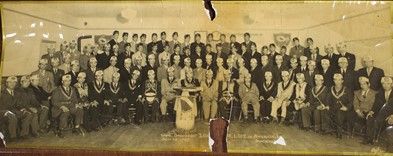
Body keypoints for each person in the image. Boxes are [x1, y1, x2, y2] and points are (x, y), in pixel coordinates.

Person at [0, 76, 30, 142]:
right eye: (10, 82)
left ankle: (23, 134)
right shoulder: (2, 93)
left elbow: (18, 104)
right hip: (4, 112)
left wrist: (22, 108)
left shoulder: (17, 93)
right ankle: (12, 136)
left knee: (27, 114)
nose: (12, 84)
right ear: (6, 83)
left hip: (14, 111)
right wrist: (6, 112)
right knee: (12, 117)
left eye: (14, 83)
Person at [366, 77, 393, 144]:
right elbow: (376, 104)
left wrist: (392, 116)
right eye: (383, 84)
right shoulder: (380, 92)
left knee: (387, 122)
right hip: (381, 113)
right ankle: (370, 139)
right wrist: (371, 111)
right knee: (370, 118)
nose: (385, 85)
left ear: (392, 84)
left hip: (391, 114)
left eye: (388, 84)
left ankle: (388, 143)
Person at [329, 73, 354, 139]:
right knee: (324, 111)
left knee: (339, 114)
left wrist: (347, 107)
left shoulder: (347, 90)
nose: (337, 82)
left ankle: (339, 134)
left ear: (342, 81)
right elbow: (328, 100)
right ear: (333, 81)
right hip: (333, 108)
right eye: (335, 80)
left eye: (339, 80)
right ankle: (328, 129)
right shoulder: (331, 89)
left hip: (343, 109)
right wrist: (327, 105)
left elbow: (351, 102)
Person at [353, 77, 376, 141]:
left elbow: (375, 105)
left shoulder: (374, 93)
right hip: (359, 111)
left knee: (370, 119)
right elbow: (355, 103)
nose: (362, 86)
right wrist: (358, 111)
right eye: (361, 84)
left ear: (368, 84)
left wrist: (370, 112)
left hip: (369, 111)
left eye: (364, 84)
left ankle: (368, 139)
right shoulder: (357, 93)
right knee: (351, 115)